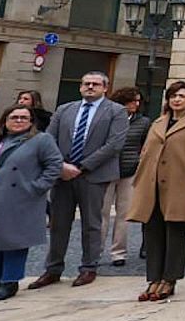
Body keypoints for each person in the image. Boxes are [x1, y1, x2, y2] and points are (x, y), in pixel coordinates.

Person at [27, 71, 127, 292]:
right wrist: (61, 165)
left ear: (105, 88)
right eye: (86, 83)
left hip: (94, 175)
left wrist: (81, 167)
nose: (90, 87)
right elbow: (48, 139)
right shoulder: (65, 109)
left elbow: (114, 144)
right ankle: (53, 268)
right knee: (58, 223)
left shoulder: (116, 111)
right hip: (62, 175)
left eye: (95, 84)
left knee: (92, 224)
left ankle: (89, 267)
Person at [0, 104, 63, 304]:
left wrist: (36, 187)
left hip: (20, 199)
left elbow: (54, 165)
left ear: (31, 122)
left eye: (24, 118)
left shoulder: (41, 140)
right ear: (5, 120)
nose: (19, 121)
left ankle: (9, 282)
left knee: (14, 242)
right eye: (14, 117)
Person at [127, 80, 185, 302]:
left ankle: (170, 279)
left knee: (175, 233)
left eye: (182, 96)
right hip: (151, 184)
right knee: (152, 232)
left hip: (181, 185)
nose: (177, 100)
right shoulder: (158, 121)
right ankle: (153, 278)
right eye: (173, 96)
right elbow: (147, 150)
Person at [101, 87, 151, 268]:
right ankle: (95, 251)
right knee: (102, 213)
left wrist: (139, 164)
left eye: (138, 101)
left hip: (129, 170)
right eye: (132, 101)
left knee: (124, 214)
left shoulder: (143, 122)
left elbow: (146, 146)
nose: (136, 105)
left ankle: (118, 252)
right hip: (106, 170)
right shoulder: (107, 118)